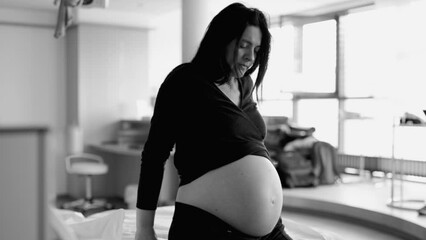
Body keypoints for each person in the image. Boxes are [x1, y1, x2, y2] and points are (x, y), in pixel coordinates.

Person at [135, 2, 293, 240]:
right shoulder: (184, 81)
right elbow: (154, 155)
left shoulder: (244, 85)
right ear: (222, 39)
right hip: (208, 227)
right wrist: (144, 228)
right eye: (244, 45)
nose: (250, 58)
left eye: (257, 49)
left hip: (270, 232)